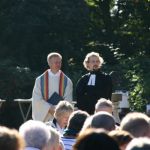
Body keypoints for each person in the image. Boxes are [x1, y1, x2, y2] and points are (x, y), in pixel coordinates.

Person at [32, 52, 73, 122]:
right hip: (44, 116)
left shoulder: (67, 81)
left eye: (59, 62)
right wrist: (49, 108)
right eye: (56, 62)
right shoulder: (40, 80)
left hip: (60, 116)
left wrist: (58, 110)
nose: (58, 64)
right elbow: (36, 98)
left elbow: (68, 101)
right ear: (49, 63)